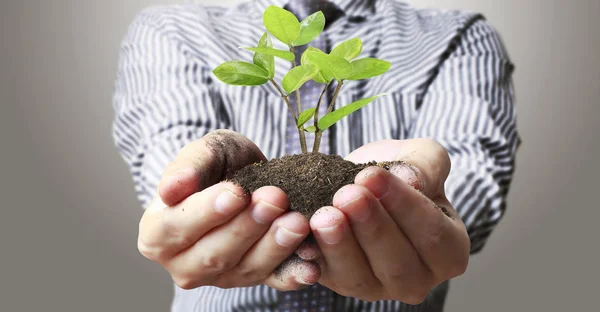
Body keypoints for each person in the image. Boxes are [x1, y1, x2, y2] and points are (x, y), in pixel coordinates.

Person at [112, 0, 520, 311]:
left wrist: (419, 204)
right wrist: (196, 208)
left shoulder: (457, 36)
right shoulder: (172, 29)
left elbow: (470, 179)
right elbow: (174, 184)